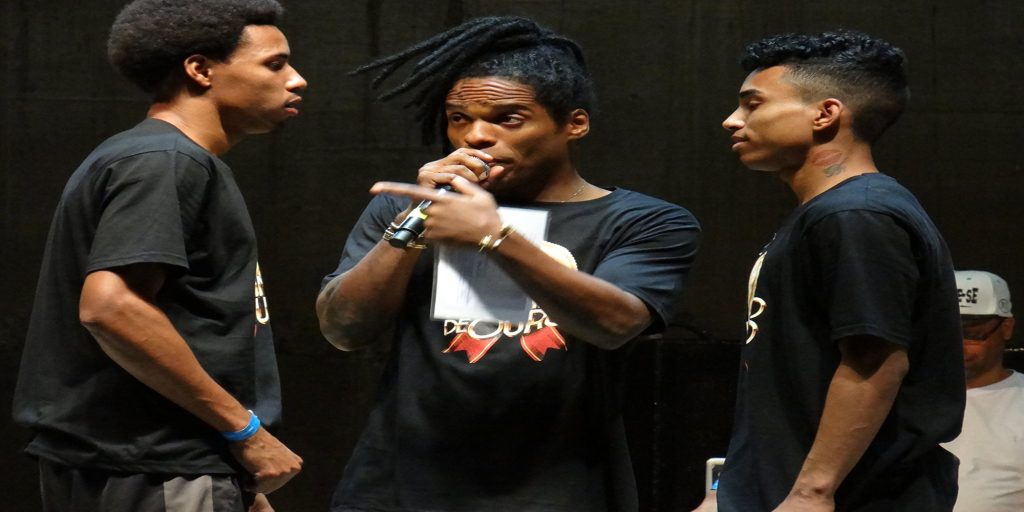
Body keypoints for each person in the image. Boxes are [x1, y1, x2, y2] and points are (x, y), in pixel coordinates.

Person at [316, 16, 701, 512]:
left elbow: (615, 323)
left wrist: (494, 236)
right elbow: (343, 328)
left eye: (508, 119)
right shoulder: (405, 209)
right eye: (458, 118)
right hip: (400, 486)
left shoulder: (644, 221)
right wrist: (415, 222)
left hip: (556, 490)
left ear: (574, 124)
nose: (474, 136)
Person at [12, 1, 307, 511]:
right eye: (274, 64)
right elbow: (110, 307)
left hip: (159, 465)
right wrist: (244, 432)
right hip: (159, 466)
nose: (297, 79)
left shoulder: (153, 156)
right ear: (200, 70)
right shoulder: (165, 160)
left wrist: (229, 473)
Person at [710, 31, 964, 511]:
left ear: (825, 114)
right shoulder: (831, 213)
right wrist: (729, 492)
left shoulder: (857, 215)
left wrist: (814, 490)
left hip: (856, 497)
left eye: (752, 104)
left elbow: (875, 361)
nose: (732, 120)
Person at [942, 270, 1023, 512]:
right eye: (948, 331)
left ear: (1006, 328)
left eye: (973, 334)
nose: (958, 345)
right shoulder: (901, 397)